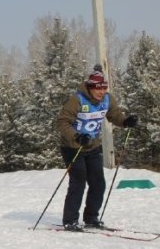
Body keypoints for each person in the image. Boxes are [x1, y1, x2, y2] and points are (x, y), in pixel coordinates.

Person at [56, 65, 138, 231]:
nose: (101, 92)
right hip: (73, 147)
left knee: (98, 183)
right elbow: (62, 122)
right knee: (78, 182)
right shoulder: (77, 100)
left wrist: (125, 121)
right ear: (90, 88)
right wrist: (77, 136)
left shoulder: (107, 99)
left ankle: (91, 218)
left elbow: (114, 115)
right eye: (98, 89)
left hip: (92, 146)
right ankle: (70, 220)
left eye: (104, 88)